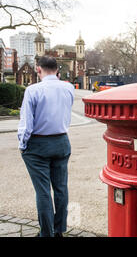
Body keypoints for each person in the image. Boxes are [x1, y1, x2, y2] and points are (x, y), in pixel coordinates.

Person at [18, 56, 74, 237]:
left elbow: (26, 123)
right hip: (61, 141)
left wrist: (23, 145)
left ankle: (47, 233)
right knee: (61, 188)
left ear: (38, 69)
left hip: (38, 144)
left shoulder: (33, 90)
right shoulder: (69, 88)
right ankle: (59, 230)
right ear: (57, 70)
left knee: (42, 191)